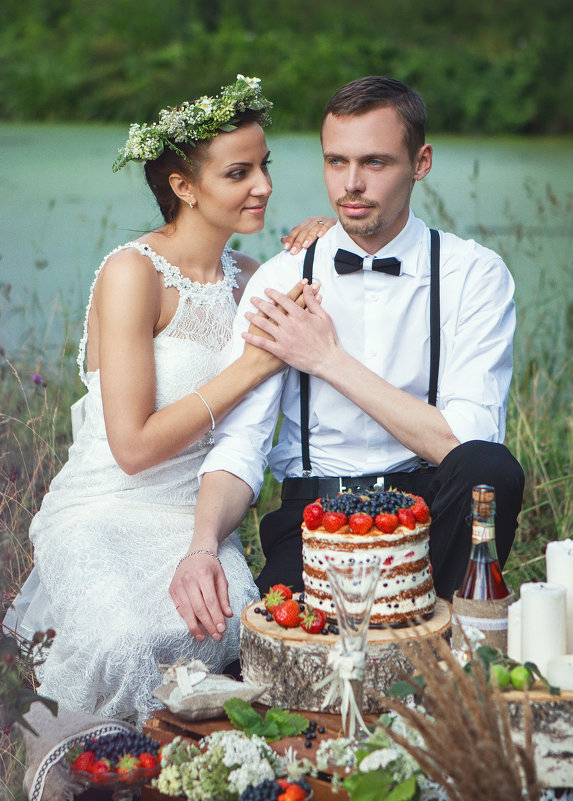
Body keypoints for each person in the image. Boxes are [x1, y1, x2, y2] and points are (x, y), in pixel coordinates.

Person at [3, 75, 333, 726]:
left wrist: (328, 244)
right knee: (124, 642)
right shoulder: (134, 273)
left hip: (198, 519)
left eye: (264, 166)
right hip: (107, 509)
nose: (262, 185)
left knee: (233, 635)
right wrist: (250, 367)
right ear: (183, 186)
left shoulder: (253, 278)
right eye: (238, 172)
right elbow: (132, 447)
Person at [177, 75, 525, 643]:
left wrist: (327, 359)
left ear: (421, 162)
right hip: (315, 523)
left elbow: (468, 444)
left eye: (376, 162)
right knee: (276, 662)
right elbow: (242, 443)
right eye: (336, 162)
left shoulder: (474, 275)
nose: (352, 184)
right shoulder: (283, 278)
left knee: (489, 469)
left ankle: (445, 648)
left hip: (434, 518)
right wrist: (200, 547)